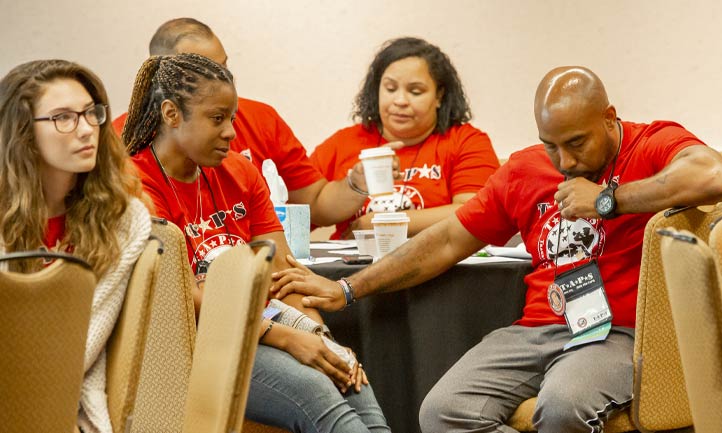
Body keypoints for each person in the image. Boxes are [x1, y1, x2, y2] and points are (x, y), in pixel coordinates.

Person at [272, 66, 722, 432]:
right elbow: (447, 240)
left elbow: (710, 176)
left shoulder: (651, 143)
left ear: (609, 117)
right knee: (444, 411)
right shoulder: (525, 169)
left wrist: (609, 200)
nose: (564, 162)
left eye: (576, 144)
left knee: (565, 406)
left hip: (619, 331)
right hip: (538, 329)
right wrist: (349, 289)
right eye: (552, 146)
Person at [123, 52, 389, 432]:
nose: (231, 132)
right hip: (193, 344)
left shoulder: (240, 171)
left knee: (348, 378)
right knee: (317, 391)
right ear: (171, 114)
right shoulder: (135, 184)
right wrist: (287, 340)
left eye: (231, 118)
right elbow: (181, 294)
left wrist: (319, 338)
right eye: (217, 119)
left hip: (259, 328)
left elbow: (285, 276)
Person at [113, 17, 383, 228]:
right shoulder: (124, 142)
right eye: (203, 71)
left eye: (224, 67)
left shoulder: (258, 128)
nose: (221, 79)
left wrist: (356, 185)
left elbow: (314, 205)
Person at [0, 59, 151, 433]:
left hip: (64, 400)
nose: (86, 130)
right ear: (21, 132)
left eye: (90, 114)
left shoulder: (123, 219)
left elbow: (85, 339)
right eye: (63, 118)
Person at [310, 37, 500, 239]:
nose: (400, 101)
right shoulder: (342, 143)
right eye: (390, 89)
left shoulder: (466, 141)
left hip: (440, 266)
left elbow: (476, 211)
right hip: (351, 266)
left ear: (439, 96)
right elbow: (296, 215)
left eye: (415, 91)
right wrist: (353, 186)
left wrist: (381, 223)